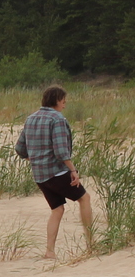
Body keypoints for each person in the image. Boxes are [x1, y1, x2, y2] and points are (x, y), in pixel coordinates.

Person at [19, 85, 94, 259]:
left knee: (57, 209)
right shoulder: (57, 119)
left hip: (39, 175)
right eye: (63, 101)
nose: (64, 105)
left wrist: (36, 159)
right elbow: (61, 151)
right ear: (57, 100)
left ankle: (50, 251)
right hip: (56, 172)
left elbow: (20, 149)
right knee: (84, 198)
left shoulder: (31, 118)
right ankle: (91, 243)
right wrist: (73, 170)